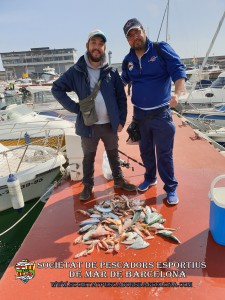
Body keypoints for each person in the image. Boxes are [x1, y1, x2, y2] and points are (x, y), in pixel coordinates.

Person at [52, 29, 136, 201]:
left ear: (104, 48)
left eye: (100, 44)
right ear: (87, 46)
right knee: (88, 157)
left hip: (110, 124)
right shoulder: (76, 71)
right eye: (94, 43)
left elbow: (121, 97)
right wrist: (75, 108)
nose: (97, 47)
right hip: (88, 125)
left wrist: (121, 120)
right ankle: (88, 186)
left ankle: (119, 181)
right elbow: (56, 88)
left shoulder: (111, 72)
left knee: (114, 154)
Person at [121, 18, 187, 205]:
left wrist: (177, 94)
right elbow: (123, 82)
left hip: (161, 113)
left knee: (164, 154)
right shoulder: (128, 60)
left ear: (144, 30)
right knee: (145, 151)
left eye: (137, 32)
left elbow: (179, 70)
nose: (135, 37)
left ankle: (171, 188)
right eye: (130, 35)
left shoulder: (160, 49)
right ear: (127, 40)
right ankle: (150, 177)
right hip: (140, 115)